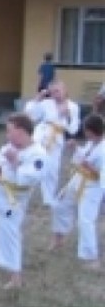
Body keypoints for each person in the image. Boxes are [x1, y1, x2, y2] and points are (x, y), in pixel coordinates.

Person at [0, 113, 48, 290]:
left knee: (11, 233)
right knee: (4, 231)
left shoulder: (38, 154)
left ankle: (16, 277)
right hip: (0, 191)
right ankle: (9, 268)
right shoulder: (10, 147)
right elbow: (1, 162)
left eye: (9, 131)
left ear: (21, 132)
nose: (7, 135)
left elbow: (29, 179)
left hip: (15, 199)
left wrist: (15, 162)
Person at [51, 113, 105, 266]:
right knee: (60, 205)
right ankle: (58, 239)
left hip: (92, 187)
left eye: (85, 129)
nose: (84, 132)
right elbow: (84, 158)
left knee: (85, 220)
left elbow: (100, 173)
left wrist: (91, 168)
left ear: (91, 131)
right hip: (78, 179)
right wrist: (76, 148)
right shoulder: (91, 143)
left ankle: (92, 258)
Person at [28, 80, 81, 206]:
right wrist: (37, 99)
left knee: (52, 169)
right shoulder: (46, 104)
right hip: (41, 135)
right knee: (34, 164)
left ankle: (48, 198)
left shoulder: (73, 107)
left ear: (64, 90)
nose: (55, 95)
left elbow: (74, 129)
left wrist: (67, 116)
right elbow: (31, 116)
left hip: (57, 139)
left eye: (57, 91)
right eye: (52, 92)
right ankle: (24, 192)